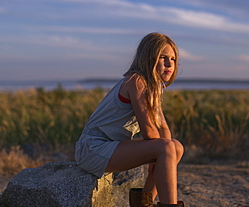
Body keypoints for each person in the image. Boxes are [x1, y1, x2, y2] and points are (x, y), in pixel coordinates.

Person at [75, 32, 185, 207]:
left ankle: (143, 204)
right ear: (148, 58)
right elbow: (149, 132)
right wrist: (157, 154)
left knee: (176, 147)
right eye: (163, 57)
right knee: (165, 147)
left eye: (172, 59)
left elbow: (163, 128)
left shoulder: (152, 87)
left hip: (111, 147)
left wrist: (161, 156)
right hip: (93, 148)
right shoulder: (137, 81)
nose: (169, 64)